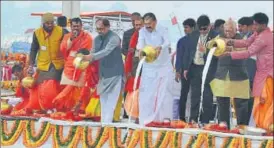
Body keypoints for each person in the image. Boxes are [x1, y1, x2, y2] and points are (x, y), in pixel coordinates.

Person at [223, 12, 273, 130]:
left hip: (267, 75)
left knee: (265, 102)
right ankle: (262, 127)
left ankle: (266, 128)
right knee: (259, 102)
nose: (253, 27)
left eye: (256, 24)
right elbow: (245, 42)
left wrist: (230, 54)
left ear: (264, 25)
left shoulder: (264, 38)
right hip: (261, 73)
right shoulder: (258, 33)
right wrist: (230, 41)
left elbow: (248, 52)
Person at [82, 18, 124, 123]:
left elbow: (106, 52)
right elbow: (92, 52)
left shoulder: (114, 38)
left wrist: (90, 57)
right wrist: (82, 62)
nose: (100, 31)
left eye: (102, 29)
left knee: (111, 102)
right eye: (98, 29)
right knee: (103, 101)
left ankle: (107, 125)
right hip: (103, 74)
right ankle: (104, 124)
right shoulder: (96, 39)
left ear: (108, 27)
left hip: (115, 73)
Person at [210, 19, 250, 129]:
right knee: (222, 101)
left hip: (239, 75)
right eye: (226, 30)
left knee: (241, 103)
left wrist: (230, 49)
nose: (228, 33)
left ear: (235, 29)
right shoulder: (219, 38)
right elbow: (212, 49)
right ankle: (223, 126)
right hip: (222, 74)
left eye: (230, 30)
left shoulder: (241, 38)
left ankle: (242, 127)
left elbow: (244, 50)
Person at [53, 18, 98, 113]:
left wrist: (79, 56)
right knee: (67, 87)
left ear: (81, 26)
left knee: (81, 88)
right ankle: (66, 107)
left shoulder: (87, 37)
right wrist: (71, 39)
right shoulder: (67, 36)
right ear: (71, 27)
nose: (76, 28)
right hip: (69, 66)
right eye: (74, 26)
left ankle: (79, 107)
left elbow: (86, 51)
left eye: (78, 26)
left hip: (82, 65)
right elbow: (63, 49)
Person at [136, 12, 173, 126]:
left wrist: (160, 47)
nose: (147, 26)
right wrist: (141, 51)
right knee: (147, 91)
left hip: (164, 65)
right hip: (149, 66)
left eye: (149, 24)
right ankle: (147, 117)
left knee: (165, 91)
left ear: (155, 22)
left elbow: (167, 42)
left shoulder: (162, 29)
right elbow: (139, 44)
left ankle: (166, 118)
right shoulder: (142, 31)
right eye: (145, 24)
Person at [183, 15, 218, 123]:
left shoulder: (216, 36)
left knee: (207, 96)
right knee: (195, 95)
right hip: (195, 68)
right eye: (200, 28)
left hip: (208, 69)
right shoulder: (194, 34)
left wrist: (205, 51)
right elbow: (188, 53)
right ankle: (193, 119)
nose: (202, 31)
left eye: (205, 29)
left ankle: (205, 121)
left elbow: (217, 55)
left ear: (209, 26)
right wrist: (185, 68)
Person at [27, 12, 65, 113]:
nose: (50, 25)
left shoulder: (61, 31)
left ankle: (53, 107)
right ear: (43, 23)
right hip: (43, 65)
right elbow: (33, 49)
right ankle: (43, 108)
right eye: (47, 23)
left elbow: (68, 45)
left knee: (51, 84)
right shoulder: (37, 33)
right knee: (39, 86)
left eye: (51, 23)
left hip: (58, 64)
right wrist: (30, 65)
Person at [175, 18, 196, 122]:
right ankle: (181, 117)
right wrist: (178, 70)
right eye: (184, 27)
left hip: (196, 71)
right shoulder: (181, 41)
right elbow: (179, 57)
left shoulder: (198, 40)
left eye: (186, 27)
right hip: (184, 72)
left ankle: (194, 117)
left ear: (193, 28)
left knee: (195, 95)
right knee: (184, 94)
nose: (185, 30)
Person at [123, 17, 144, 122]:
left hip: (145, 68)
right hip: (134, 67)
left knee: (141, 93)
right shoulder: (133, 36)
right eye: (136, 25)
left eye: (140, 25)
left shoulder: (149, 36)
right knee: (133, 92)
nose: (138, 27)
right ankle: (134, 116)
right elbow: (129, 54)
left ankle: (140, 116)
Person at [237, 16, 256, 123]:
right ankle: (243, 124)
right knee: (244, 101)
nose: (239, 28)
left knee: (246, 101)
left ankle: (243, 125)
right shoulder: (243, 37)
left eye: (241, 26)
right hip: (245, 73)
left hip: (250, 73)